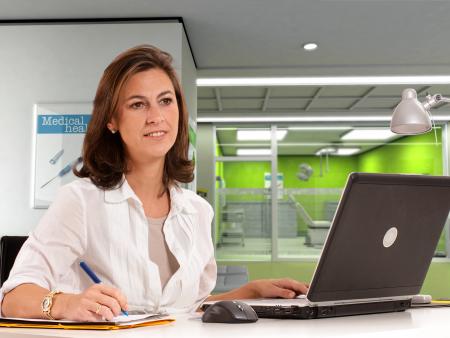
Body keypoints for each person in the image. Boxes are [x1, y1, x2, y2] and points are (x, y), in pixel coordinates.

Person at [0, 45, 308, 321]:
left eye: (165, 100)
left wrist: (249, 292)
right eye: (137, 104)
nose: (156, 116)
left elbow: (183, 310)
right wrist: (65, 304)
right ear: (112, 120)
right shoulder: (80, 201)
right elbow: (12, 298)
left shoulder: (197, 211)